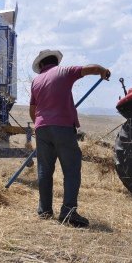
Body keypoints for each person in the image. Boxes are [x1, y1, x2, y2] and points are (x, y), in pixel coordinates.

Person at [29, 49, 111, 227]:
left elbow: (32, 111)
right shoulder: (64, 72)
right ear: (55, 62)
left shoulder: (35, 81)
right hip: (63, 127)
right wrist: (103, 70)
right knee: (71, 169)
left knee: (44, 170)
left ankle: (44, 210)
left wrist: (41, 124)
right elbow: (92, 68)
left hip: (41, 128)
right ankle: (68, 213)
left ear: (41, 64)